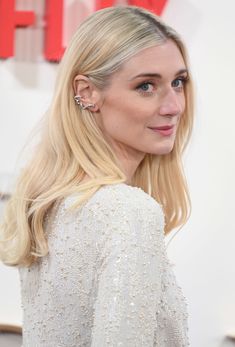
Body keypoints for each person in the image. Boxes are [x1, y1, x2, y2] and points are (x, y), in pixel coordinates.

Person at [0, 5, 194, 347]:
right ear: (87, 93)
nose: (174, 105)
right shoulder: (128, 212)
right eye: (146, 86)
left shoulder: (50, 201)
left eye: (178, 82)